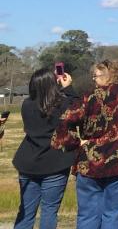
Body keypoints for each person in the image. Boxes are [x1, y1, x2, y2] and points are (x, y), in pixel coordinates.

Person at [53, 58, 118, 229]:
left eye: (95, 76)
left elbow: (64, 123)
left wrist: (77, 143)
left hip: (90, 162)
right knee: (115, 213)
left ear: (105, 76)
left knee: (88, 214)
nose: (93, 80)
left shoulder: (88, 97)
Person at [13, 66, 79, 229]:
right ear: (53, 84)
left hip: (28, 162)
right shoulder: (62, 104)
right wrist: (68, 88)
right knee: (49, 210)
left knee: (26, 212)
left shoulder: (26, 105)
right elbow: (78, 109)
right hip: (54, 163)